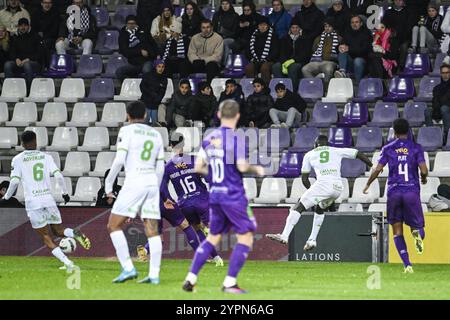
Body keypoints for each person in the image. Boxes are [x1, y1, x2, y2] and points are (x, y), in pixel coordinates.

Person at [182, 100, 265, 294]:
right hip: (234, 196)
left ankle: (191, 278)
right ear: (237, 116)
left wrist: (214, 178)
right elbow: (243, 167)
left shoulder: (209, 138)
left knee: (212, 237)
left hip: (215, 195)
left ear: (219, 115)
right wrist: (257, 168)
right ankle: (229, 282)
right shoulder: (236, 139)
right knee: (245, 238)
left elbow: (198, 168)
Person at [0, 131, 90, 271]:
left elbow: (14, 182)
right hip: (48, 199)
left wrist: (5, 198)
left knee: (46, 236)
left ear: (22, 143)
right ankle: (74, 233)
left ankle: (68, 263)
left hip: (33, 202)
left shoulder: (18, 159)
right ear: (35, 141)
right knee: (58, 230)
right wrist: (65, 193)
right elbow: (59, 176)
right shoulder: (46, 157)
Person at [266, 135, 372, 250]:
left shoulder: (310, 154)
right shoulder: (336, 150)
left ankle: (284, 236)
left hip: (323, 185)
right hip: (338, 188)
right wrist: (372, 166)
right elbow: (357, 153)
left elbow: (305, 179)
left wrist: (312, 192)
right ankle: (312, 240)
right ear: (327, 144)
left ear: (315, 145)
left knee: (298, 207)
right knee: (320, 208)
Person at [105, 101, 165, 284]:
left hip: (134, 181)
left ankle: (128, 268)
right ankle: (154, 275)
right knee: (152, 230)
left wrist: (108, 185)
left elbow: (119, 160)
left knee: (113, 225)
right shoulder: (156, 134)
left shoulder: (126, 131)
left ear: (127, 115)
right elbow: (161, 166)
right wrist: (155, 187)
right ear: (146, 115)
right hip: (152, 182)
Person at [142, 135, 224, 266]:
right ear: (184, 144)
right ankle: (215, 253)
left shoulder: (168, 166)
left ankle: (212, 257)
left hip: (185, 204)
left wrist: (167, 199)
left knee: (196, 229)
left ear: (170, 146)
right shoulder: (194, 159)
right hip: (202, 199)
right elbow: (209, 177)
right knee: (207, 228)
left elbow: (162, 187)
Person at [363, 118, 428, 273]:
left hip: (394, 191)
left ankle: (407, 265)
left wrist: (368, 184)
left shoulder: (388, 148)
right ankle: (416, 233)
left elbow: (378, 169)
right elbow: (424, 170)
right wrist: (423, 179)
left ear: (394, 131)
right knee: (418, 226)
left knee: (397, 229)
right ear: (408, 130)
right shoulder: (416, 147)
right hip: (411, 191)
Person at [4, 18, 43, 90]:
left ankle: (29, 90)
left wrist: (28, 59)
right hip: (19, 62)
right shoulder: (14, 37)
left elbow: (39, 54)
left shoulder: (36, 37)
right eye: (21, 26)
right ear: (18, 27)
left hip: (33, 62)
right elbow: (12, 52)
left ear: (28, 26)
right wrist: (16, 59)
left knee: (27, 65)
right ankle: (9, 89)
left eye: (25, 25)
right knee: (7, 65)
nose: (23, 27)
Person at [116, 15, 158, 81]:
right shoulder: (123, 34)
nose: (131, 25)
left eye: (133, 23)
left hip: (146, 61)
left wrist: (151, 53)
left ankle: (145, 88)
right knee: (119, 72)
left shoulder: (143, 31)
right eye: (129, 23)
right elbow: (125, 51)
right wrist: (139, 51)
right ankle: (132, 85)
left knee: (146, 70)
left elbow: (153, 44)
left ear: (136, 23)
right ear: (126, 24)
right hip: (132, 63)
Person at [272, 21, 310, 91]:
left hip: (299, 61)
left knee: (293, 67)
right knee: (276, 66)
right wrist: (284, 62)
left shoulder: (305, 39)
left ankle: (292, 90)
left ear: (300, 29)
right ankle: (281, 89)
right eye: (293, 28)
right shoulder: (284, 39)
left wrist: (293, 60)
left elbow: (306, 54)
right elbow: (281, 53)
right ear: (290, 29)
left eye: (296, 28)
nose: (295, 29)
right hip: (286, 61)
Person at [334, 14, 372, 83]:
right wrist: (339, 47)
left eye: (356, 22)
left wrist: (349, 49)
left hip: (362, 61)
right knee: (342, 51)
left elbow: (365, 50)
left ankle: (358, 84)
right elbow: (342, 45)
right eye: (352, 22)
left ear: (361, 23)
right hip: (350, 61)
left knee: (357, 61)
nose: (354, 24)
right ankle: (342, 73)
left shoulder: (367, 33)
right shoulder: (347, 32)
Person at [301, 19, 340, 84]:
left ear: (333, 27)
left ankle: (325, 90)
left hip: (330, 62)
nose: (327, 28)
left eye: (329, 26)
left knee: (328, 69)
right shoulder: (318, 38)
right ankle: (316, 86)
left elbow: (340, 54)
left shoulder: (339, 38)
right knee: (305, 69)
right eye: (325, 26)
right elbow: (314, 50)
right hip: (317, 61)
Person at [245, 15, 279, 85]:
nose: (262, 27)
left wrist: (267, 59)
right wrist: (252, 58)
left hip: (269, 60)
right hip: (255, 59)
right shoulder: (253, 36)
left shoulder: (273, 36)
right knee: (249, 68)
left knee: (264, 68)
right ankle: (253, 87)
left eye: (264, 25)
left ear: (267, 26)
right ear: (258, 26)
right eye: (260, 25)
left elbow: (275, 51)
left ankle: (266, 87)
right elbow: (248, 50)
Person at [30, 0, 59, 68]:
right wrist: (39, 35)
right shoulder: (35, 13)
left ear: (51, 4)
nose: (47, 5)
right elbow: (33, 28)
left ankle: (46, 66)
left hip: (51, 38)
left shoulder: (55, 13)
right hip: (37, 37)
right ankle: (37, 66)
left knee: (44, 43)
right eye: (45, 3)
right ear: (41, 4)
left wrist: (43, 34)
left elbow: (55, 30)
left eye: (49, 3)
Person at [425, 64, 450, 140]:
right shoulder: (436, 88)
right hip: (439, 109)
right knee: (427, 111)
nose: (445, 75)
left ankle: (447, 134)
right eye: (443, 73)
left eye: (447, 72)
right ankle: (431, 135)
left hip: (447, 109)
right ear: (441, 74)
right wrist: (437, 109)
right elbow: (435, 101)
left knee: (444, 108)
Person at [383, 0, 410, 70]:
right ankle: (391, 67)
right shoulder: (388, 12)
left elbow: (409, 27)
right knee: (392, 44)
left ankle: (401, 67)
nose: (398, 1)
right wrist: (390, 32)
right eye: (396, 0)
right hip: (391, 37)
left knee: (404, 47)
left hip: (404, 37)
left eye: (400, 0)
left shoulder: (407, 12)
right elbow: (384, 26)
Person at [140, 59, 168, 125]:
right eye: (159, 66)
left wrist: (156, 98)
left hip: (156, 103)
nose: (161, 69)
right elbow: (143, 87)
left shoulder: (164, 79)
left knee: (155, 124)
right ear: (155, 67)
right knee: (145, 122)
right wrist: (152, 95)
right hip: (146, 101)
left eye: (162, 67)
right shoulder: (147, 76)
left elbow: (162, 92)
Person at [212, 0, 239, 66]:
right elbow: (213, 28)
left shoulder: (235, 16)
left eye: (226, 4)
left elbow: (236, 32)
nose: (225, 6)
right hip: (218, 38)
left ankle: (224, 65)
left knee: (225, 42)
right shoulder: (217, 15)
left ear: (230, 5)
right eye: (223, 4)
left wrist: (225, 33)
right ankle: (214, 65)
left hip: (231, 38)